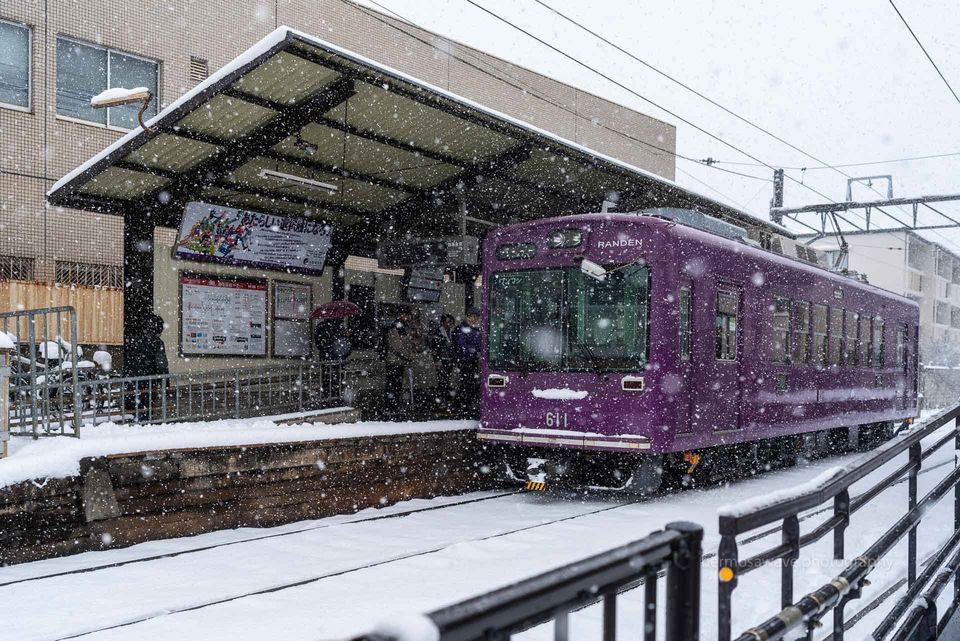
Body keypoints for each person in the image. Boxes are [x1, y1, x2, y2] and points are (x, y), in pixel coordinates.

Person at [124, 314, 169, 416]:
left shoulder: (134, 340)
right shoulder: (157, 342)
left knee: (132, 409)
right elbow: (161, 364)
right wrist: (165, 382)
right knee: (146, 409)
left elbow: (128, 360)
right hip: (147, 380)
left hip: (130, 379)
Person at [384, 311, 418, 416]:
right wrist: (408, 355)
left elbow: (405, 344)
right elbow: (397, 347)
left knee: (396, 385)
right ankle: (390, 407)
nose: (407, 318)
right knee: (393, 385)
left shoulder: (403, 329)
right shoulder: (394, 329)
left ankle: (394, 406)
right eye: (406, 315)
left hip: (399, 361)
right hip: (394, 361)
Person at [454, 308, 482, 416]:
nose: (474, 319)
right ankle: (462, 406)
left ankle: (466, 405)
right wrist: (475, 351)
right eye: (473, 317)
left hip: (473, 361)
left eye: (476, 317)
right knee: (466, 383)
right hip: (464, 360)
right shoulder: (461, 329)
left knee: (471, 383)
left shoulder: (476, 330)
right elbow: (461, 346)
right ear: (467, 316)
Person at [430, 314, 458, 412]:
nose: (449, 324)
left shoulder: (452, 332)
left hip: (449, 360)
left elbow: (454, 346)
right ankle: (440, 402)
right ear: (442, 322)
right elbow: (434, 348)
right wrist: (437, 360)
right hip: (441, 360)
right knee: (442, 381)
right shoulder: (438, 332)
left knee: (447, 380)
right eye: (447, 321)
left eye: (451, 322)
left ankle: (445, 401)